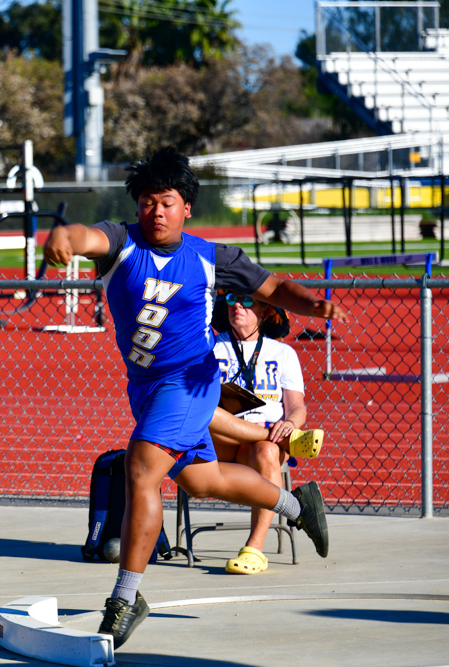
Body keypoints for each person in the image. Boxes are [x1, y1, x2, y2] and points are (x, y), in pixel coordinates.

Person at [43, 147, 347, 650]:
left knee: (141, 469)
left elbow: (273, 286)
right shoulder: (121, 243)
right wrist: (62, 235)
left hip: (190, 381)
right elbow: (83, 236)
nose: (156, 212)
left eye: (166, 202)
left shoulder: (211, 257)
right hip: (145, 386)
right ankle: (299, 505)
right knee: (204, 481)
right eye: (147, 202)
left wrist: (313, 304)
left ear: (186, 207)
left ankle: (126, 598)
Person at [211, 292, 320, 575]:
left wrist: (292, 424)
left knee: (269, 451)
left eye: (248, 301)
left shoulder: (283, 353)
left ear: (265, 312)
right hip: (221, 439)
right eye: (232, 299)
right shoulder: (210, 346)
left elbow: (296, 407)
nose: (238, 305)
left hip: (262, 446)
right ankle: (286, 441)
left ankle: (254, 550)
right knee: (212, 419)